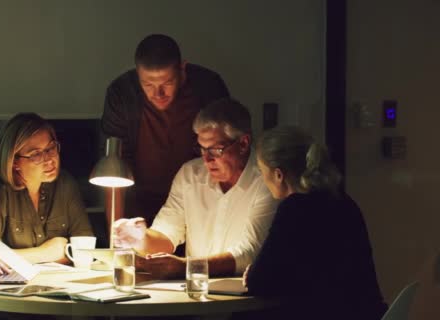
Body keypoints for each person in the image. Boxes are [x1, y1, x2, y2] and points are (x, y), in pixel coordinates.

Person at [112, 98, 278, 279]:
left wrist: (187, 266)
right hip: (196, 294)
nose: (206, 159)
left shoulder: (266, 179)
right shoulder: (190, 175)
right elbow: (167, 233)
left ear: (243, 144)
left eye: (216, 150)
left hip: (245, 297)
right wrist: (140, 238)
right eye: (202, 149)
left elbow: (250, 253)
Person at [244, 126, 387, 320]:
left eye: (262, 171)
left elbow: (259, 281)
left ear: (279, 175)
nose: (262, 178)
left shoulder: (294, 209)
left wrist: (253, 272)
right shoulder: (343, 201)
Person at [101, 33, 230, 228]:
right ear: (137, 74)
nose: (158, 94)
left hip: (198, 198)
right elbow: (115, 165)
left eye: (167, 83)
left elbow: (224, 155)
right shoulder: (121, 94)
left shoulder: (208, 87)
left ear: (182, 68)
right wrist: (115, 231)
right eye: (148, 85)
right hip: (139, 200)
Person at [0, 113, 93, 264]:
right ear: (14, 162)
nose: (49, 160)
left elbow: (84, 252)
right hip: (10, 286)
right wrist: (46, 253)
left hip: (60, 282)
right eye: (36, 154)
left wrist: (12, 257)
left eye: (51, 148)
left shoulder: (65, 184)